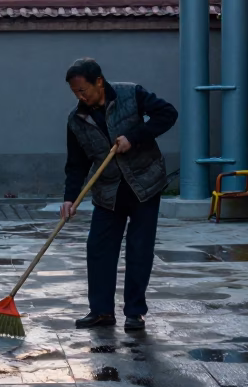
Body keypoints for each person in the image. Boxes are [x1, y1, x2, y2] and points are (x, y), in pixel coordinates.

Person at [61, 58, 178, 331]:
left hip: (144, 186)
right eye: (75, 92)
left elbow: (167, 114)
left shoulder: (131, 93)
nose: (80, 96)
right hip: (108, 191)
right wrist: (69, 198)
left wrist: (134, 137)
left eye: (83, 90)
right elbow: (76, 164)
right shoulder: (76, 120)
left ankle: (135, 313)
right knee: (98, 249)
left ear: (99, 82)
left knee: (139, 249)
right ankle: (101, 311)